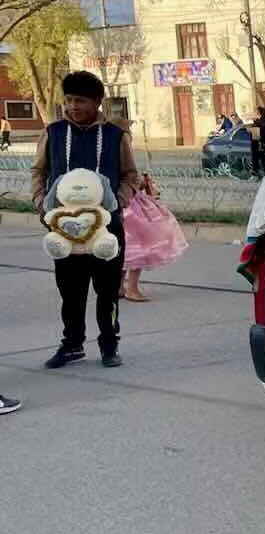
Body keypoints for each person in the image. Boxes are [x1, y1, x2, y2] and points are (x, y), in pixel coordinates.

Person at [30, 70, 141, 369]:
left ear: (97, 102)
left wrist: (117, 202)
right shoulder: (52, 133)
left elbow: (131, 175)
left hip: (107, 230)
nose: (72, 106)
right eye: (68, 100)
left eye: (80, 100)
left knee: (107, 292)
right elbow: (38, 172)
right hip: (65, 230)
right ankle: (72, 345)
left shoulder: (116, 136)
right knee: (71, 292)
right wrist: (42, 205)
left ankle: (109, 344)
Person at [121, 171, 189, 302]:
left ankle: (119, 287)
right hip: (134, 210)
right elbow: (133, 180)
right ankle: (132, 288)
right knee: (139, 250)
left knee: (125, 251)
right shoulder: (126, 162)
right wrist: (143, 180)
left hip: (122, 207)